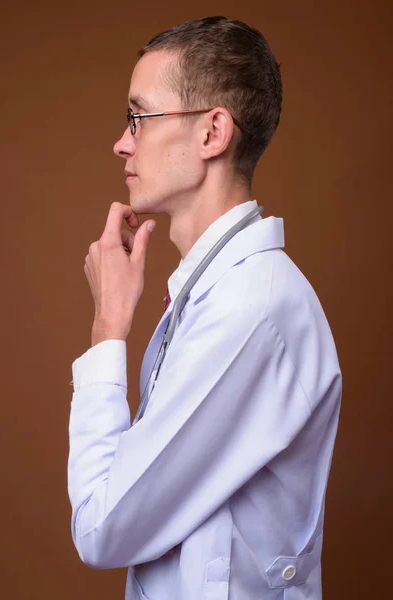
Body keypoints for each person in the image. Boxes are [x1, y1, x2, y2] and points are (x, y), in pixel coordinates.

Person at [67, 15, 342, 600]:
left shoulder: (250, 309)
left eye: (139, 117)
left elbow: (102, 527)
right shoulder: (214, 295)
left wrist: (108, 327)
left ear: (213, 133)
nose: (122, 142)